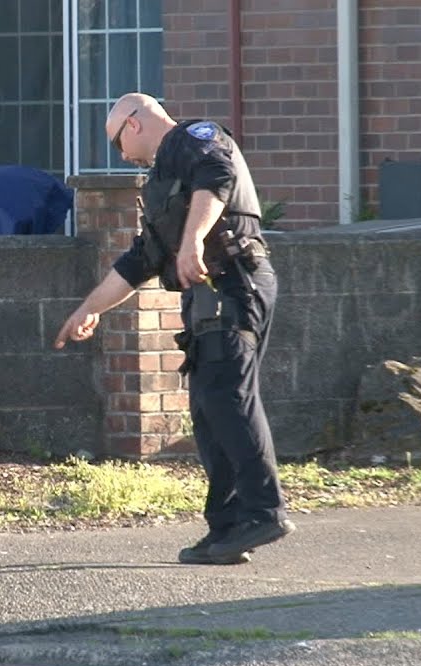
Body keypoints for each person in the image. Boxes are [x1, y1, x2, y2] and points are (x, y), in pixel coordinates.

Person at [54, 93, 294, 565]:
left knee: (229, 397)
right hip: (209, 296)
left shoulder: (193, 139)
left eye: (118, 141)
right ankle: (226, 528)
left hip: (235, 282)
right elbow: (139, 260)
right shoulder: (162, 179)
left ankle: (264, 510)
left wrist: (194, 242)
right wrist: (89, 309)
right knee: (208, 411)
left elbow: (218, 177)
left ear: (135, 122)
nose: (121, 155)